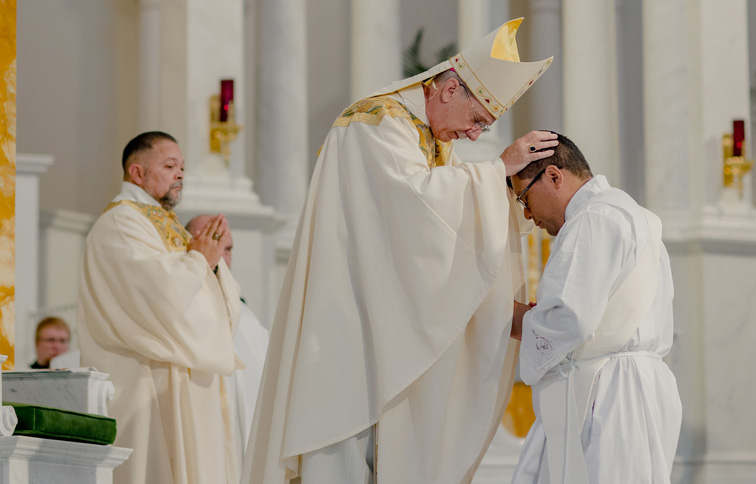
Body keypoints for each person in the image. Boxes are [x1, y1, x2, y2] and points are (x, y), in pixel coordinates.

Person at [243, 18, 556, 484]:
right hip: (349, 326)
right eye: (477, 121)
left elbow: (431, 232)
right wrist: (497, 170)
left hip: (382, 323)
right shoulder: (376, 122)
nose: (474, 135)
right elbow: (415, 208)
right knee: (340, 455)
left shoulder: (429, 139)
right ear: (450, 90)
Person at [508, 133, 682, 484]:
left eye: (525, 198)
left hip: (605, 395)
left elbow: (568, 320)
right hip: (635, 389)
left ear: (554, 176)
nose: (528, 214)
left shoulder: (593, 218)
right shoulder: (634, 214)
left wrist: (505, 315)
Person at [77, 131, 243, 484]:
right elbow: (158, 296)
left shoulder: (165, 224)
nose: (180, 174)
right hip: (145, 381)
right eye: (169, 166)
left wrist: (210, 264)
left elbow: (211, 296)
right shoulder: (121, 223)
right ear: (137, 173)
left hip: (183, 377)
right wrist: (199, 260)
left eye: (181, 167)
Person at [186, 214, 270, 459]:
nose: (222, 256)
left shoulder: (250, 321)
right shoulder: (180, 309)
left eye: (228, 249)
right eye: (214, 243)